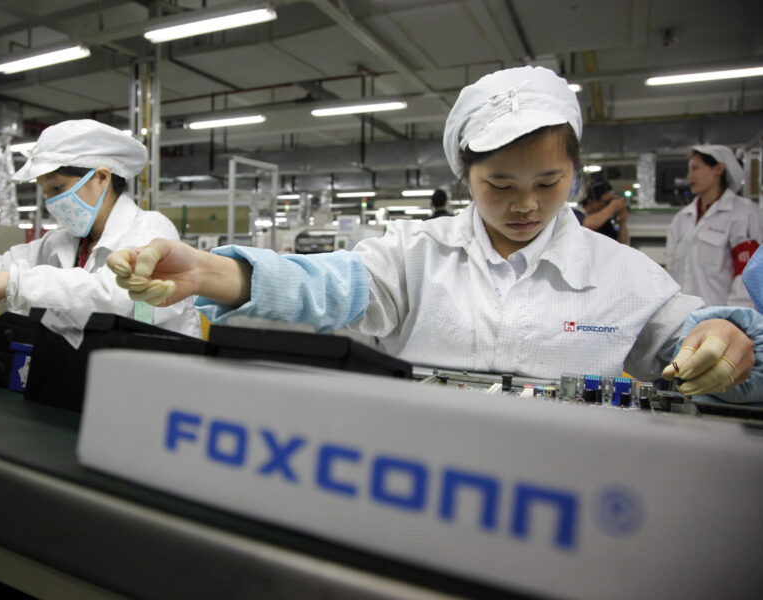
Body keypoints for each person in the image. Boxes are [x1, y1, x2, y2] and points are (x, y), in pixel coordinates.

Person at [109, 66, 763, 402]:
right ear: (463, 173)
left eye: (549, 181)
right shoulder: (415, 257)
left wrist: (729, 342)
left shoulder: (626, 275)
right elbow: (331, 285)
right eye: (499, 185)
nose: (526, 205)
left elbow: (688, 335)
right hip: (422, 490)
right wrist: (212, 273)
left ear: (574, 171)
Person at [0, 119, 200, 338]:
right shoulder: (62, 242)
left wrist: (15, 283)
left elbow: (127, 302)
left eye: (58, 188)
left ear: (101, 177)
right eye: (46, 192)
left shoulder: (151, 229)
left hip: (149, 382)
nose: (52, 201)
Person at [666, 145, 762, 308]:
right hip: (684, 319)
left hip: (721, 321)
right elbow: (671, 272)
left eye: (696, 168)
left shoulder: (744, 212)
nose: (690, 176)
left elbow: (746, 275)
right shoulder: (682, 218)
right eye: (689, 170)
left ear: (718, 169)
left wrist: (731, 319)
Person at [573, 177, 629, 244]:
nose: (608, 205)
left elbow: (621, 244)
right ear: (590, 202)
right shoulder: (574, 214)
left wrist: (622, 221)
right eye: (606, 202)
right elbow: (585, 225)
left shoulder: (604, 223)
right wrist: (612, 207)